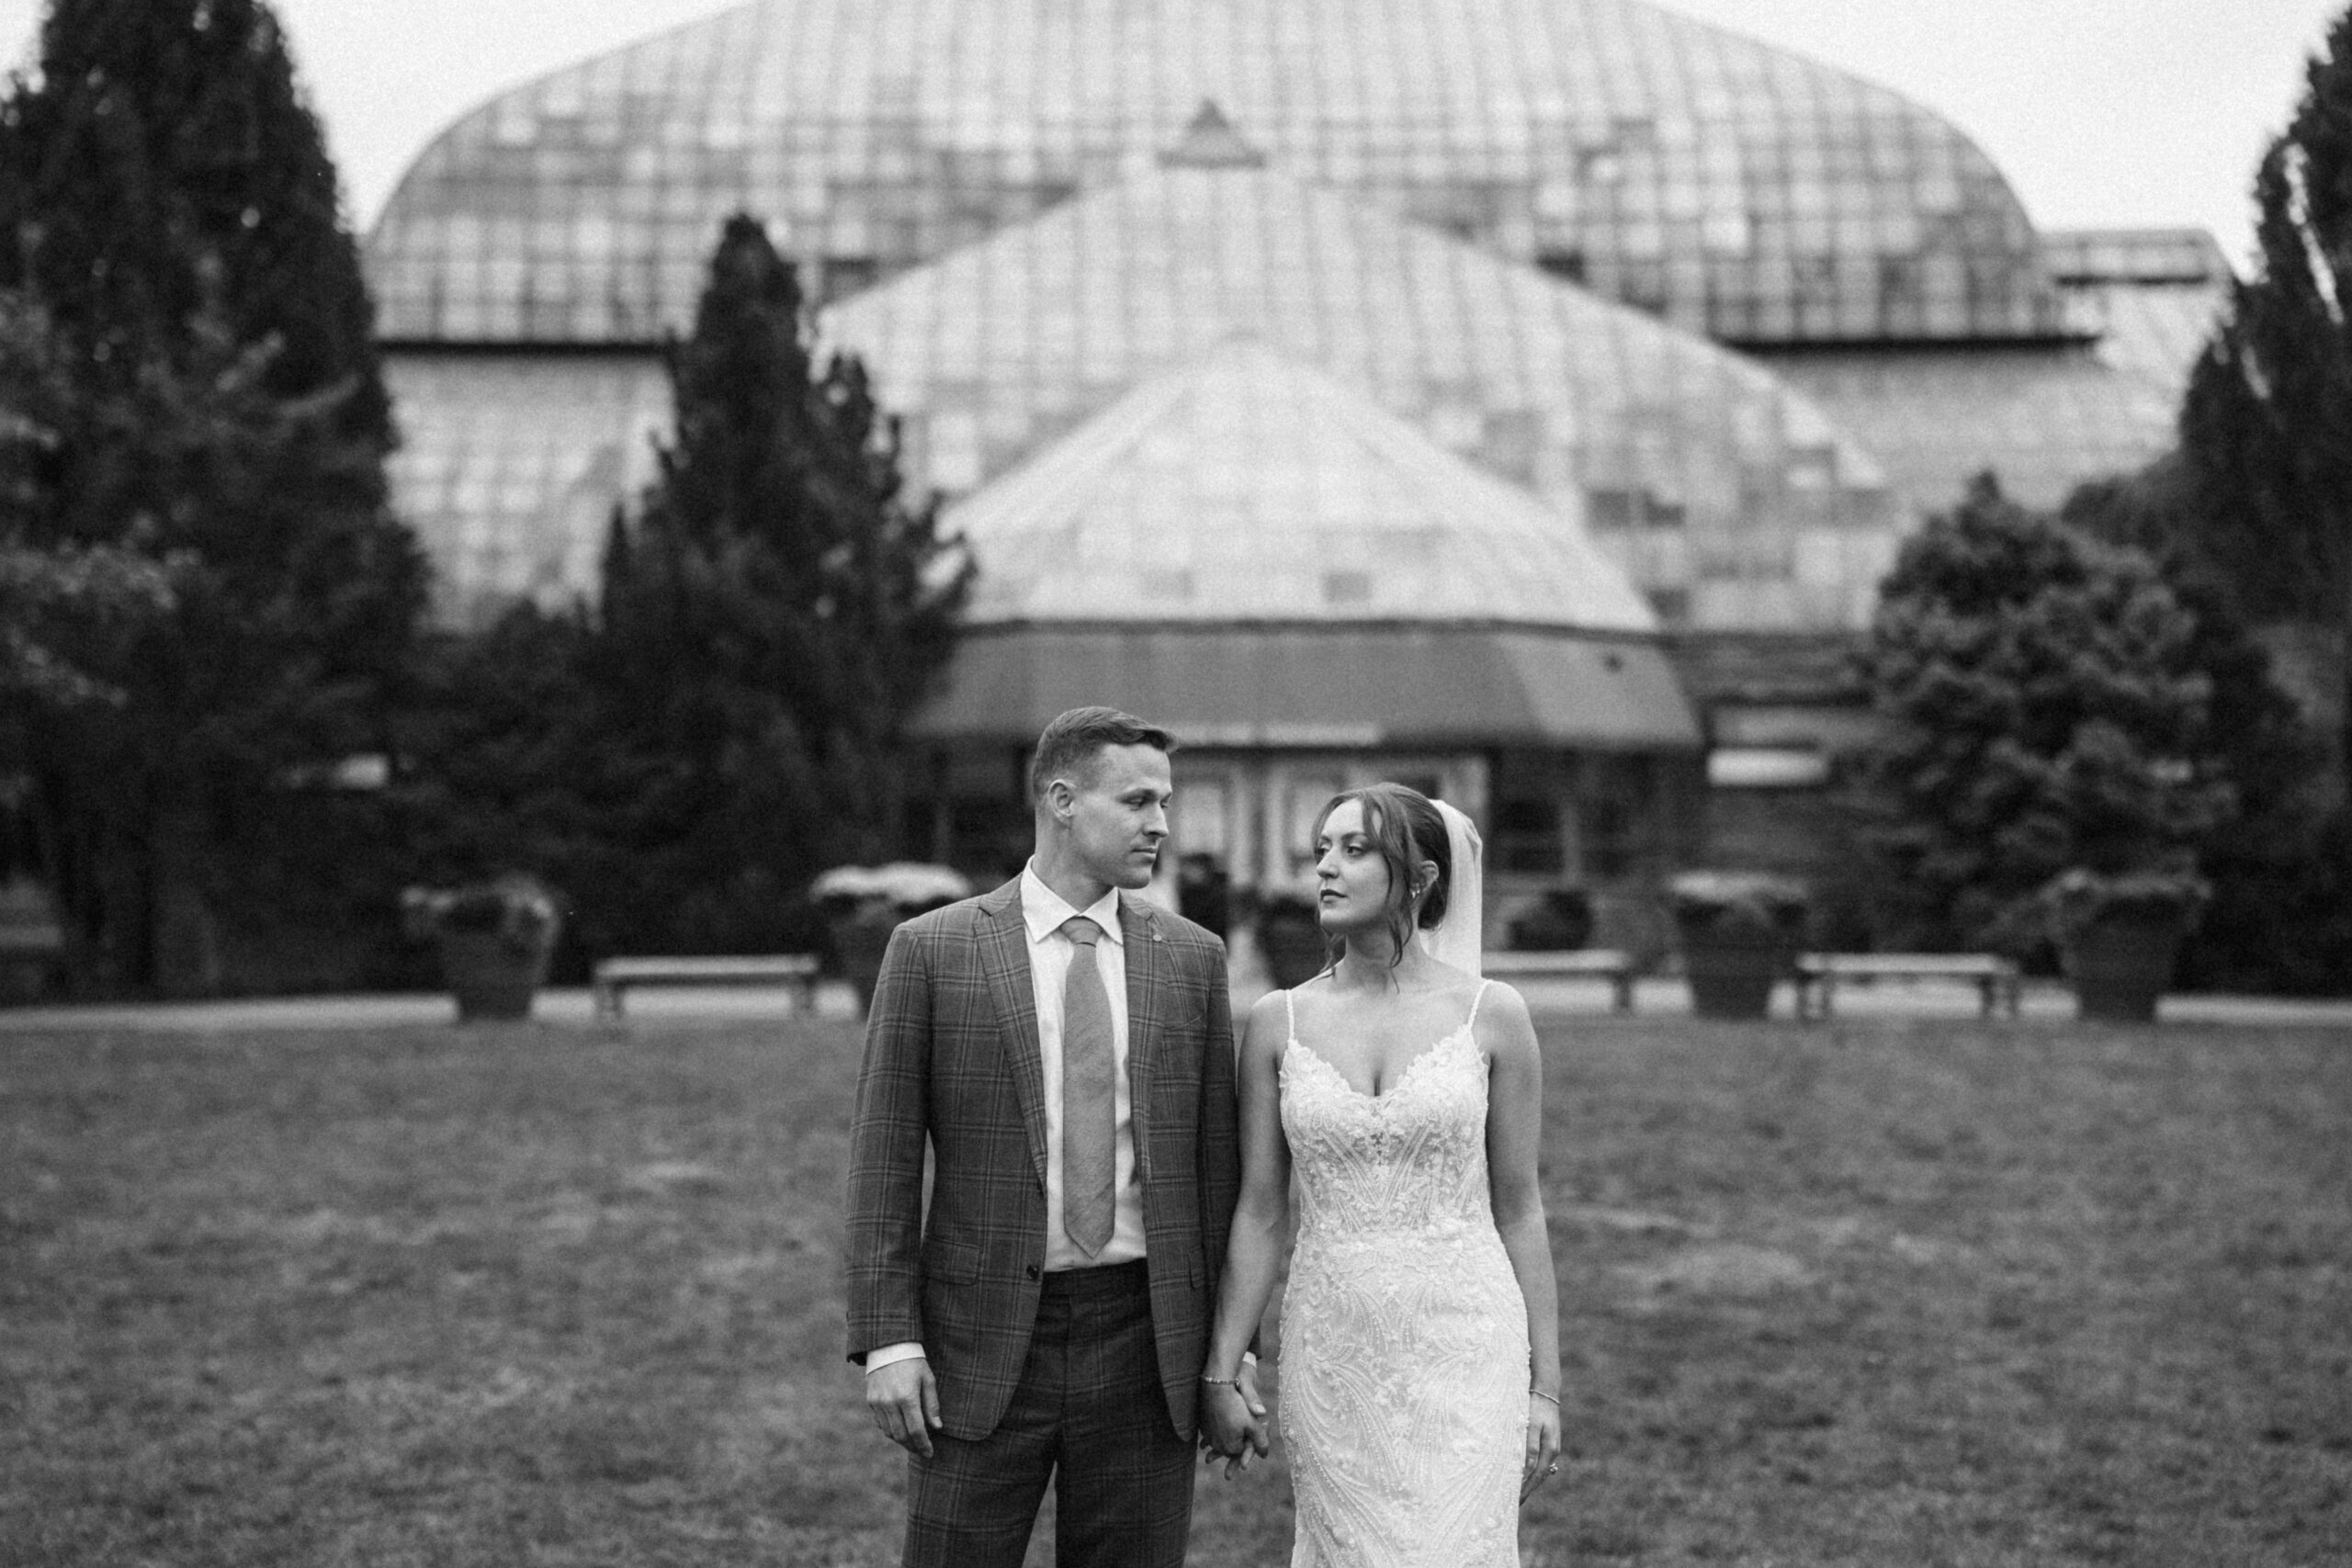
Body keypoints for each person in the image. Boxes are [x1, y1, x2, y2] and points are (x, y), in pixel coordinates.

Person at [845, 706, 1262, 1568]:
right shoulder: (933, 950)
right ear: (1063, 799)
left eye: (1166, 801)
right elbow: (885, 1158)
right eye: (1138, 800)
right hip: (978, 1339)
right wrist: (890, 1336)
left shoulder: (1191, 958)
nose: (1162, 824)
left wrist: (1230, 1355)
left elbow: (1218, 1173)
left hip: (1147, 1343)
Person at [1199, 783, 1564, 1566]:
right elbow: (1261, 1213)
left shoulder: (1494, 1015)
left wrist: (1547, 1386)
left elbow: (1521, 1207)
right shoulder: (1276, 1021)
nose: (1326, 868)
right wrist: (1220, 1370)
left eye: (1354, 849)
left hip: (1469, 1340)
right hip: (1336, 1349)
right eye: (1322, 849)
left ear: (1423, 877)